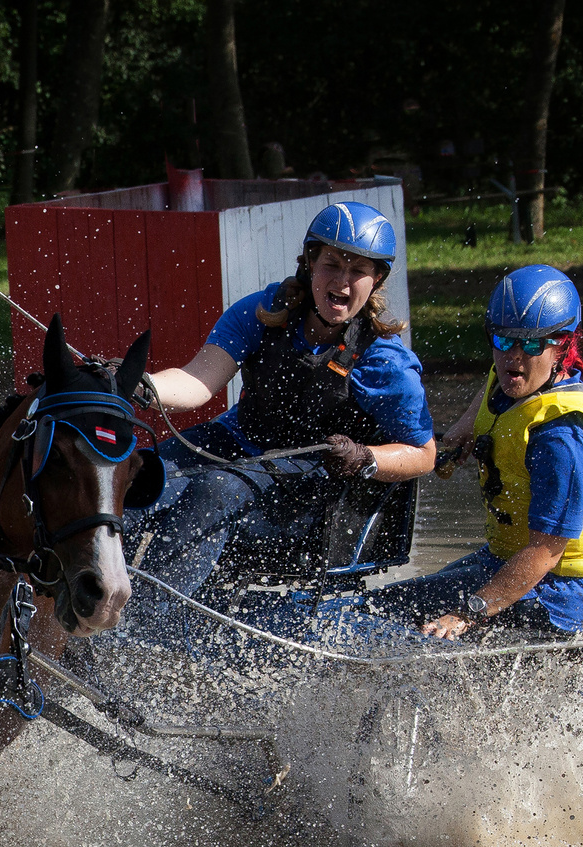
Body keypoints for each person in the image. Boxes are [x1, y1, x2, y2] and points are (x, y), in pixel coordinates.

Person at [128, 201, 436, 597]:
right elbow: (196, 382)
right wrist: (138, 384)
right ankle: (86, 609)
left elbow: (423, 453)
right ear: (309, 262)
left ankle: (144, 627)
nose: (342, 281)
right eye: (331, 264)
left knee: (215, 490)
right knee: (136, 472)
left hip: (307, 496)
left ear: (376, 280)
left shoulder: (384, 361)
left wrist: (366, 457)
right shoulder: (261, 312)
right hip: (237, 444)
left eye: (358, 270)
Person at [368, 264, 583, 640]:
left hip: (556, 593)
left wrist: (467, 613)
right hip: (503, 560)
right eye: (502, 341)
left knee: (406, 630)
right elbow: (489, 396)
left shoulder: (562, 438)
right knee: (381, 607)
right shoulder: (516, 377)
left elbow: (545, 553)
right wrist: (463, 433)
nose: (514, 356)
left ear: (563, 345)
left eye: (531, 344)